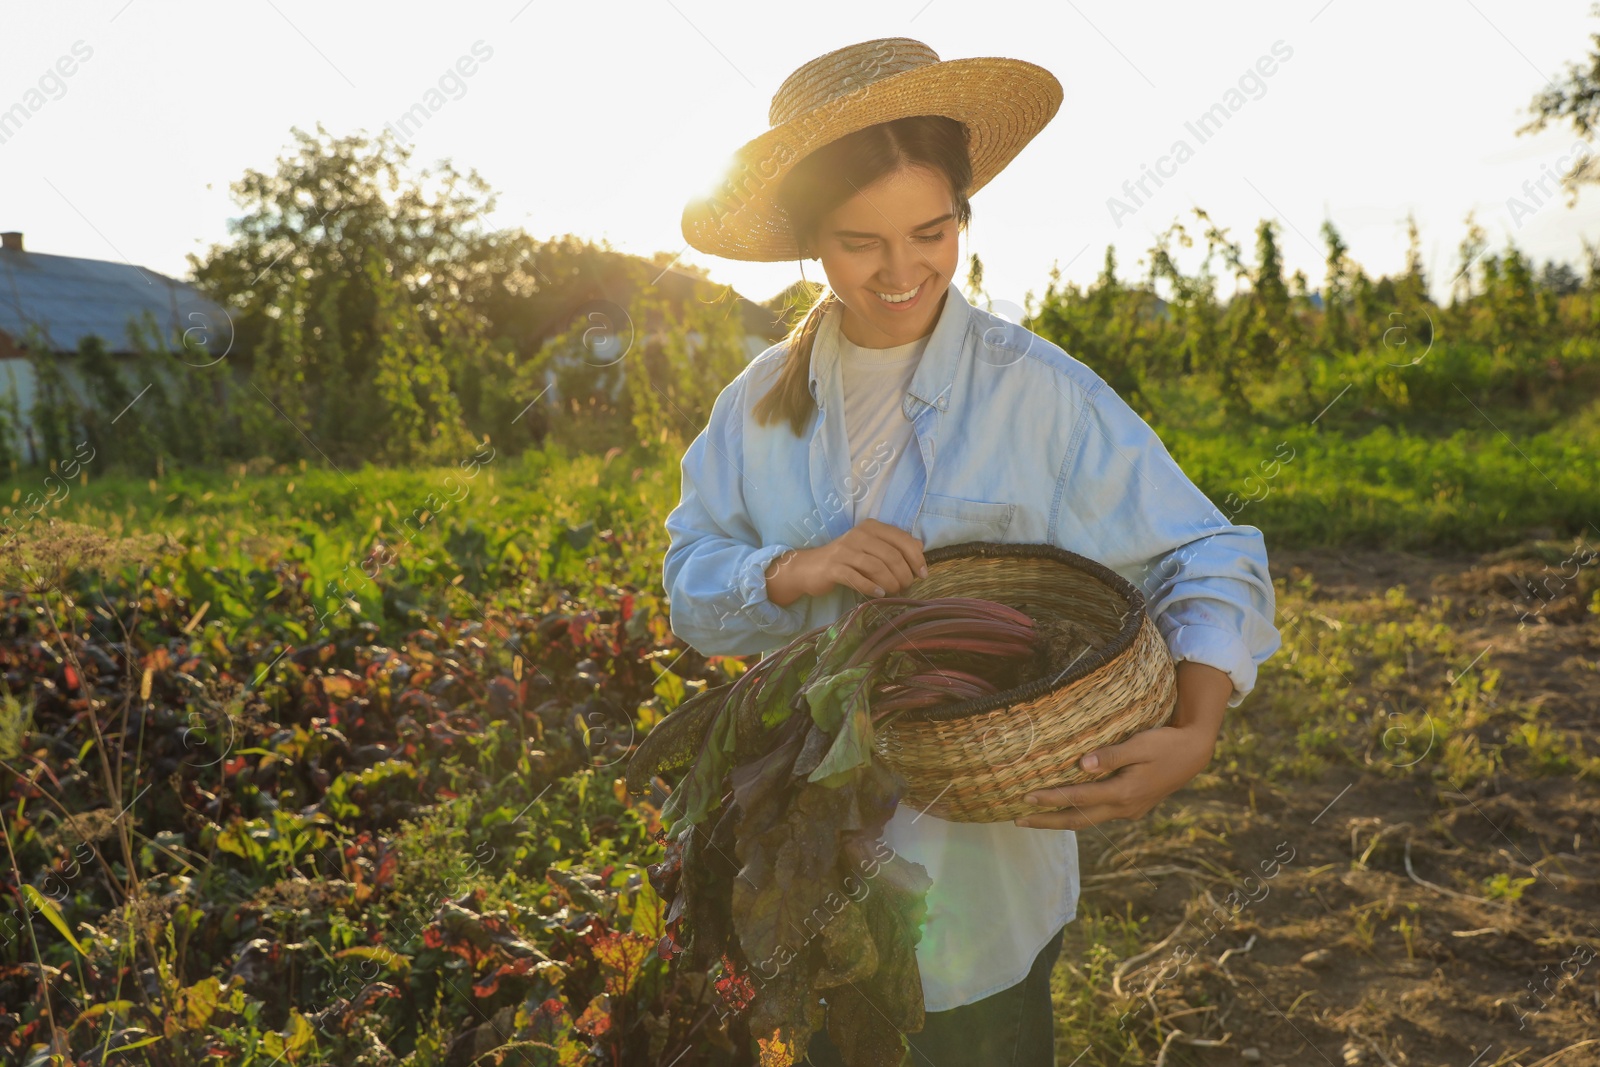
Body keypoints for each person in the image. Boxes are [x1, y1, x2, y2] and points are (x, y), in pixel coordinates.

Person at [664, 37, 1283, 1067]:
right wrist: (793, 568)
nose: (902, 271)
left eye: (931, 229)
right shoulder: (754, 408)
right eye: (859, 241)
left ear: (962, 215)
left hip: (983, 887)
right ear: (808, 241)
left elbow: (1205, 550)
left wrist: (1194, 727)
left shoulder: (1035, 391)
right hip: (808, 875)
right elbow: (690, 581)